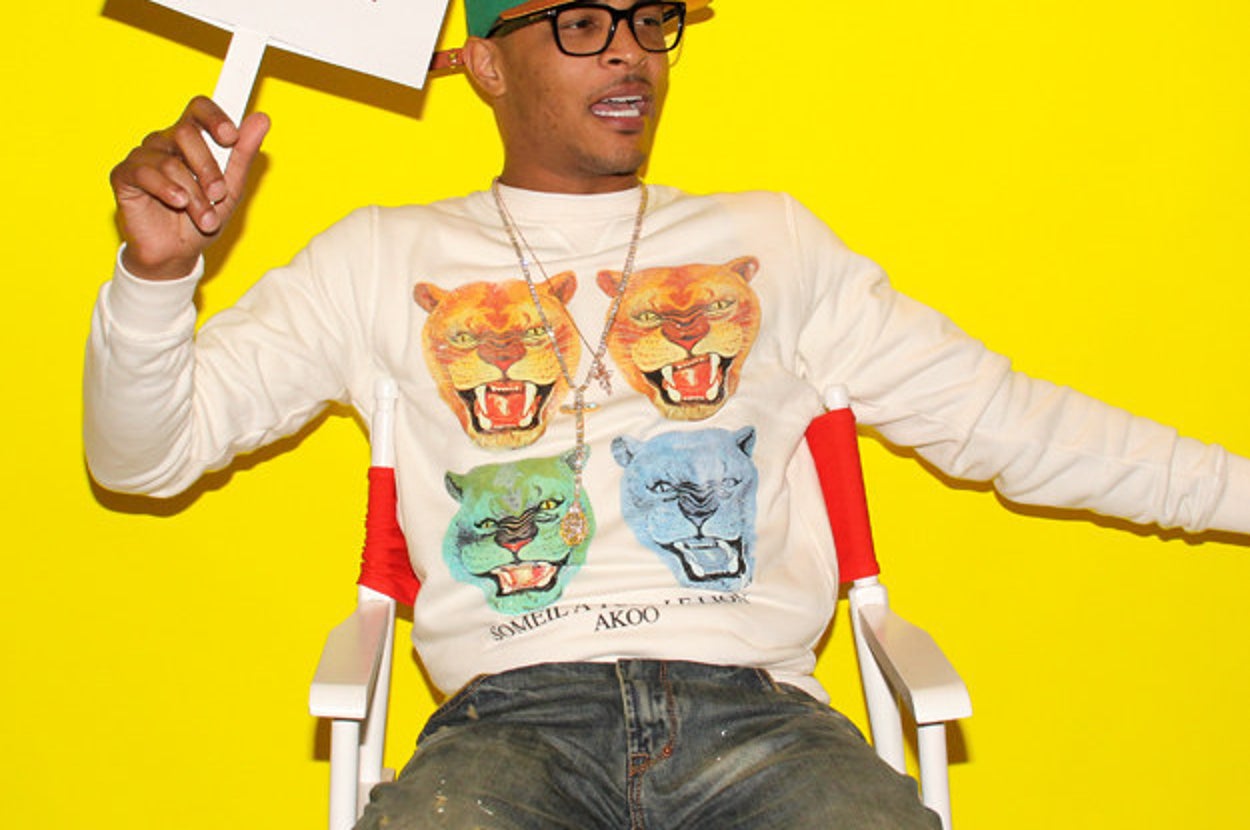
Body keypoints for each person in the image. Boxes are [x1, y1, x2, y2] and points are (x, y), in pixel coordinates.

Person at [86, 1, 1249, 827]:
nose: (629, 50)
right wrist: (156, 279)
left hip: (761, 719)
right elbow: (143, 457)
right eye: (581, 22)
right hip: (506, 728)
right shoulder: (380, 258)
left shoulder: (772, 240)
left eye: (649, 19)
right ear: (485, 63)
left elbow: (1008, 421)